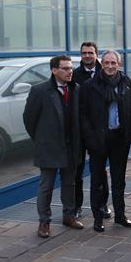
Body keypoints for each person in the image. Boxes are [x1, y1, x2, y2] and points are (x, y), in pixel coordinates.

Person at [23, 55, 85, 238]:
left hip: (71, 146)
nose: (70, 71)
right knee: (46, 186)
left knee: (69, 183)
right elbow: (29, 119)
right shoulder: (40, 91)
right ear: (54, 70)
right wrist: (42, 138)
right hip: (48, 146)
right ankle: (44, 222)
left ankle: (69, 216)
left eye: (71, 68)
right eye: (65, 68)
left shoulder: (76, 89)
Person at [80, 51, 131, 233]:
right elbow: (84, 115)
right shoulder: (89, 86)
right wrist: (90, 139)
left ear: (118, 64)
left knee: (119, 180)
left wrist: (130, 135)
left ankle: (120, 215)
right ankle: (98, 218)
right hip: (99, 140)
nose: (110, 66)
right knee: (97, 181)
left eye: (113, 62)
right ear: (101, 64)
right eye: (106, 63)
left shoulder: (126, 84)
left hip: (119, 139)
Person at [72, 41, 110, 220]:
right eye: (84, 53)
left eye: (90, 52)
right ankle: (76, 206)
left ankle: (103, 204)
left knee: (100, 171)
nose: (87, 55)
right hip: (79, 132)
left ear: (97, 54)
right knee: (76, 172)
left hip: (99, 132)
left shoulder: (105, 73)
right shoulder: (74, 75)